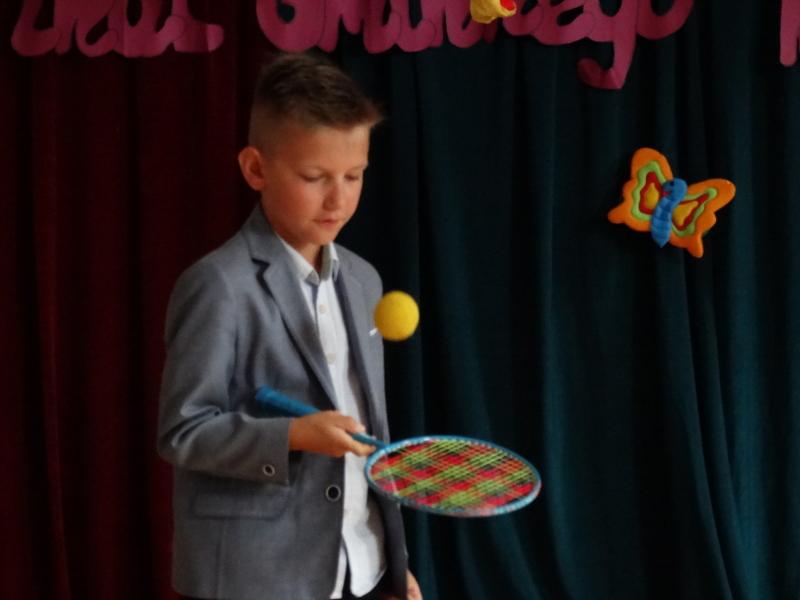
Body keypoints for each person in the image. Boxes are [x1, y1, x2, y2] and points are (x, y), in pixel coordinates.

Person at [157, 52, 423, 600]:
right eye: (314, 177)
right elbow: (183, 432)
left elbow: (367, 432)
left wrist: (388, 560)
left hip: (358, 566)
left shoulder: (365, 280)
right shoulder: (218, 285)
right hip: (256, 577)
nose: (339, 198)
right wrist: (294, 435)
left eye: (354, 175)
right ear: (256, 169)